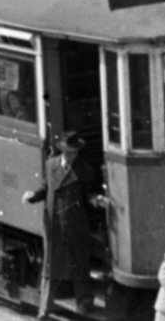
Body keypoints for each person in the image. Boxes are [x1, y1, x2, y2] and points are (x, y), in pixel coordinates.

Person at [24, 131, 103, 318]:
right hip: (54, 226)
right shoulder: (51, 165)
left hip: (75, 225)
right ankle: (44, 309)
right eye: (68, 152)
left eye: (74, 153)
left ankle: (84, 303)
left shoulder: (84, 170)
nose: (71, 156)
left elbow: (88, 195)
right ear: (62, 151)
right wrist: (32, 196)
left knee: (78, 264)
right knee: (50, 268)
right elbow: (45, 189)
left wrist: (97, 199)